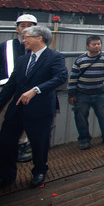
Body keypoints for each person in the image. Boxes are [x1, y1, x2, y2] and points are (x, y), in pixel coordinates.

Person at [0, 25, 68, 188]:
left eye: (27, 37)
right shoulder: (23, 59)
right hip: (17, 108)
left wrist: (36, 90)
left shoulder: (55, 57)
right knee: (6, 141)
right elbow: (11, 85)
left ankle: (39, 170)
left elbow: (61, 77)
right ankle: (6, 174)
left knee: (39, 142)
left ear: (39, 38)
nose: (23, 40)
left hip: (40, 109)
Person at [68, 36, 104, 150]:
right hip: (82, 94)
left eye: (98, 44)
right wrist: (71, 94)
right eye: (94, 44)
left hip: (99, 93)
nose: (97, 46)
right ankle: (84, 139)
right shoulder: (80, 60)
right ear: (87, 46)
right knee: (81, 118)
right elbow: (73, 78)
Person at [0, 14, 38, 163]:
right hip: (6, 89)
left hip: (30, 91)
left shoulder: (40, 48)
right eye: (23, 26)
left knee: (27, 119)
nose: (26, 29)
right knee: (4, 119)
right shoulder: (5, 46)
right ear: (17, 29)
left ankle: (22, 146)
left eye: (30, 26)